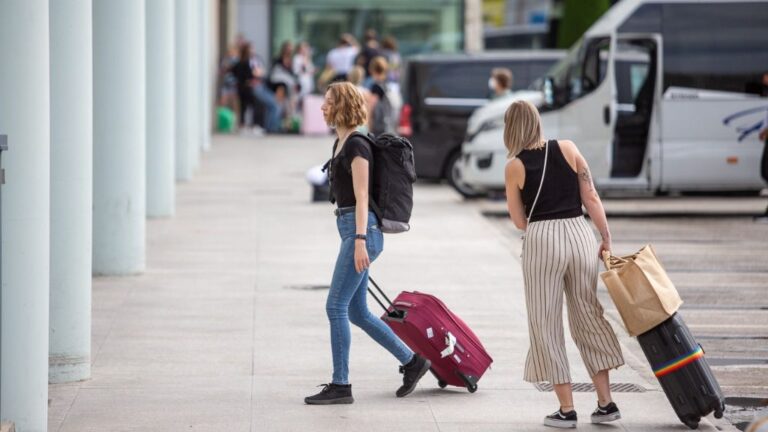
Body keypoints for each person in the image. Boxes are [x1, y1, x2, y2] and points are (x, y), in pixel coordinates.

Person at [304, 82, 431, 405]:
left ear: (342, 105)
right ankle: (412, 361)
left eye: (328, 102)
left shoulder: (357, 145)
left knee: (335, 306)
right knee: (357, 311)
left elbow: (362, 197)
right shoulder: (341, 141)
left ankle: (341, 385)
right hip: (351, 229)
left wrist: (360, 240)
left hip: (362, 232)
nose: (322, 107)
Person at [503, 100, 625, 428]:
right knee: (588, 316)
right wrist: (606, 237)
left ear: (510, 129)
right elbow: (591, 196)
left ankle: (567, 409)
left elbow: (518, 220)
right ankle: (606, 403)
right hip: (580, 234)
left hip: (542, 239)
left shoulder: (514, 166)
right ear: (537, 122)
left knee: (545, 322)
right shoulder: (569, 148)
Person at [230, 43, 264, 134]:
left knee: (244, 107)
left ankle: (243, 125)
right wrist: (252, 78)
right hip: (246, 88)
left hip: (241, 88)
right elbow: (250, 75)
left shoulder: (240, 62)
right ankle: (253, 125)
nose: (253, 51)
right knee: (254, 105)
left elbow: (233, 71)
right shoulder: (246, 62)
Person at [367, 56, 397, 135]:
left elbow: (371, 107)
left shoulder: (376, 86)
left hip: (378, 125)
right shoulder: (389, 84)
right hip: (389, 123)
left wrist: (368, 126)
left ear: (372, 69)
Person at [292, 41, 316, 107]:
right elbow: (303, 68)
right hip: (301, 81)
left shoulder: (307, 59)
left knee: (306, 100)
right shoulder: (297, 58)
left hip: (308, 81)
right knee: (299, 99)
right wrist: (306, 57)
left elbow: (310, 70)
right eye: (304, 48)